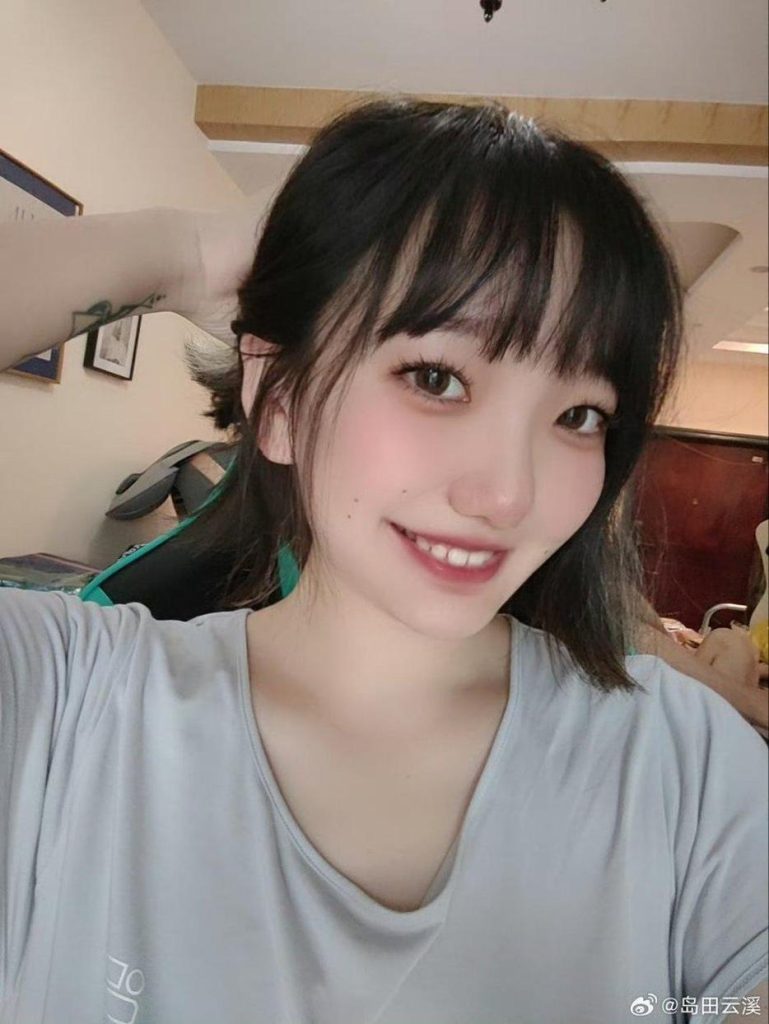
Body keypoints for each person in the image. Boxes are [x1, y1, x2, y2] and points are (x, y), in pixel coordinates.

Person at [0, 97, 766, 1024]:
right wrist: (186, 253)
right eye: (437, 378)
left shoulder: (684, 767)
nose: (508, 496)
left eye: (578, 416)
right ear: (279, 400)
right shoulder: (66, 707)